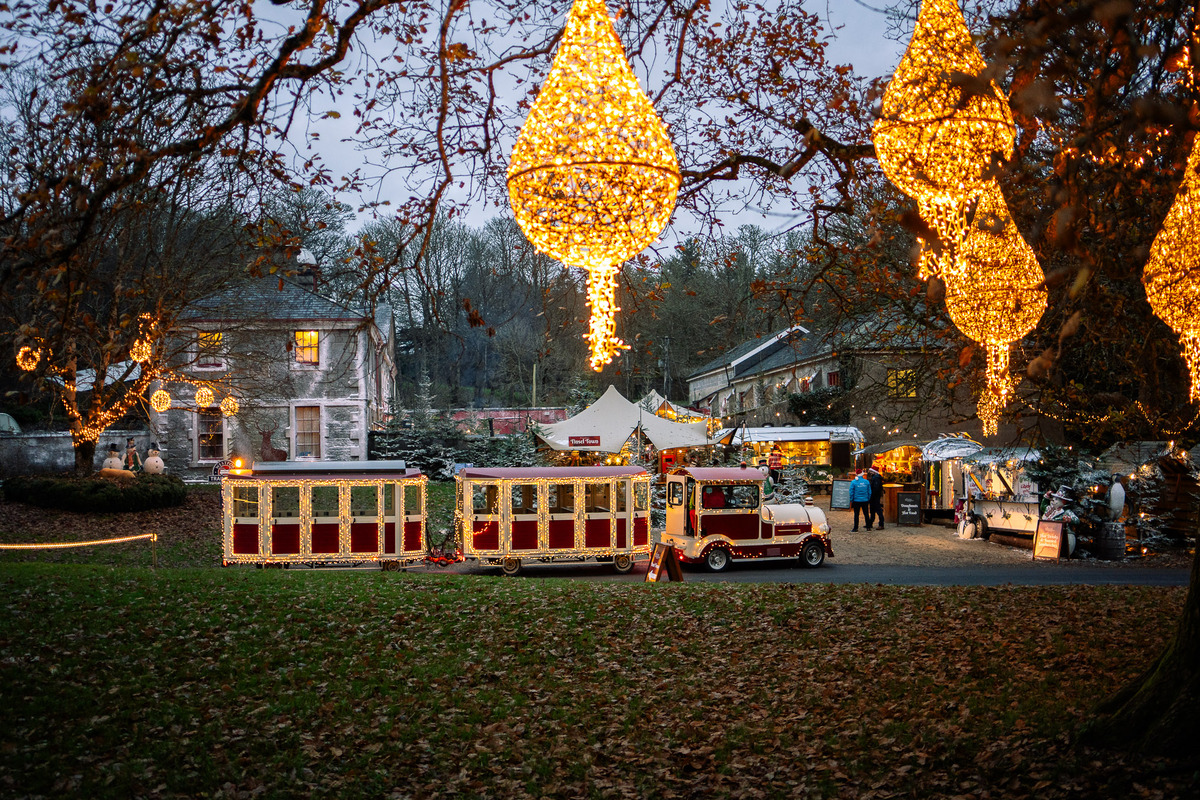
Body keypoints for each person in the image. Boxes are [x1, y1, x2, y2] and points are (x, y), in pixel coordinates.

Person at [867, 465, 885, 530]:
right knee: (873, 510)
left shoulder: (876, 478)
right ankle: (870, 523)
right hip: (874, 496)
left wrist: (872, 494)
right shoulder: (875, 477)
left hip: (875, 496)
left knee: (878, 510)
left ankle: (881, 524)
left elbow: (876, 488)